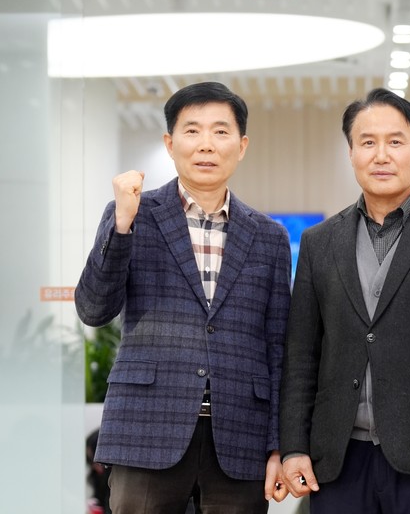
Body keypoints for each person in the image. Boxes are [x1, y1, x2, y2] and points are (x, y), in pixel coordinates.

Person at [75, 81, 292, 513]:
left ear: (242, 146)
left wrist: (278, 445)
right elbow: (94, 309)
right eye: (192, 131)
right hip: (146, 430)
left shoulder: (269, 237)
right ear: (170, 144)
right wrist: (121, 227)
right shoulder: (133, 214)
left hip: (240, 437)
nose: (206, 144)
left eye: (220, 131)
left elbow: (277, 347)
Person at [279, 88, 410, 514]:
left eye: (395, 141)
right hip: (340, 457)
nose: (381, 155)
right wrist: (294, 447)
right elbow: (302, 353)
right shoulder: (320, 242)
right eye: (367, 142)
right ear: (351, 153)